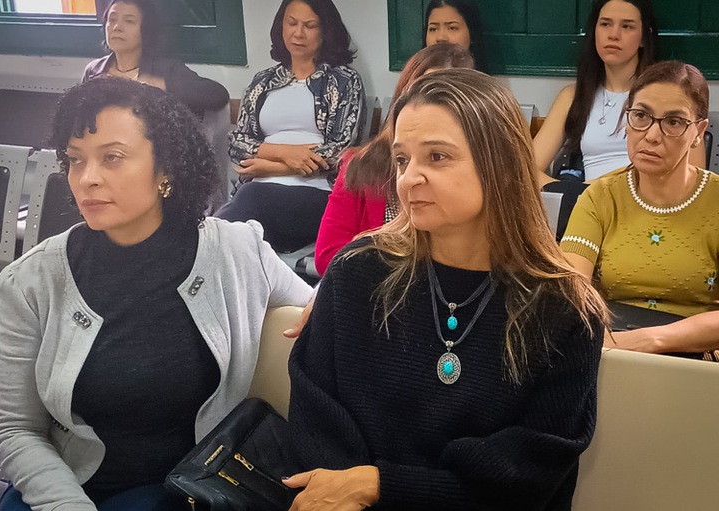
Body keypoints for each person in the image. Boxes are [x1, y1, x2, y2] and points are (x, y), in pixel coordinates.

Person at [284, 69, 608, 510]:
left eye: (436, 157)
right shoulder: (357, 272)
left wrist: (383, 485)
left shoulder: (564, 308)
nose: (408, 179)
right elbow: (315, 420)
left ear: (501, 166)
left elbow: (530, 474)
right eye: (402, 160)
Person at [0, 77, 312, 511]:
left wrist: (321, 303)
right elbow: (15, 428)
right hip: (64, 484)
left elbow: (318, 304)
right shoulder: (31, 281)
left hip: (182, 488)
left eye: (113, 157)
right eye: (75, 160)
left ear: (167, 169)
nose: (87, 179)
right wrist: (66, 503)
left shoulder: (236, 252)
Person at [561, 60, 719, 362]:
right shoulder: (600, 197)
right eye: (641, 116)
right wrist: (612, 345)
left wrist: (649, 340)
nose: (652, 135)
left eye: (674, 122)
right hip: (610, 349)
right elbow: (569, 292)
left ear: (698, 131)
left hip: (697, 357)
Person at [216, 0, 365, 253]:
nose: (298, 33)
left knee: (241, 213)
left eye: (310, 26)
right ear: (281, 26)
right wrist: (287, 154)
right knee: (243, 226)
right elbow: (238, 144)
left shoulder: (343, 81)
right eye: (292, 23)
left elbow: (342, 150)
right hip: (257, 195)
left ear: (326, 31)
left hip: (317, 194)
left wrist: (272, 168)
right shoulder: (263, 81)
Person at [314, 43, 475, 276]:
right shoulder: (360, 164)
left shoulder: (477, 172)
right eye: (402, 160)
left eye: (444, 96)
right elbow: (328, 256)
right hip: (370, 290)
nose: (428, 104)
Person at [533, 0, 667, 185]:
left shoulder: (665, 96)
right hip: (585, 198)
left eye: (627, 26)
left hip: (643, 197)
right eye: (605, 24)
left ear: (644, 37)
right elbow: (527, 169)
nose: (613, 35)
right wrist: (568, 192)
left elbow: (690, 175)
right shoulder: (573, 96)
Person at [82, 0, 229, 118]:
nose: (116, 27)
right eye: (112, 19)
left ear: (146, 29)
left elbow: (218, 95)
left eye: (129, 21)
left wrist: (162, 85)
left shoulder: (166, 70)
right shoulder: (94, 70)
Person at [424, 0, 488, 73]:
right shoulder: (415, 79)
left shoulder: (483, 80)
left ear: (472, 33)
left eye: (452, 28)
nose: (441, 37)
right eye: (433, 29)